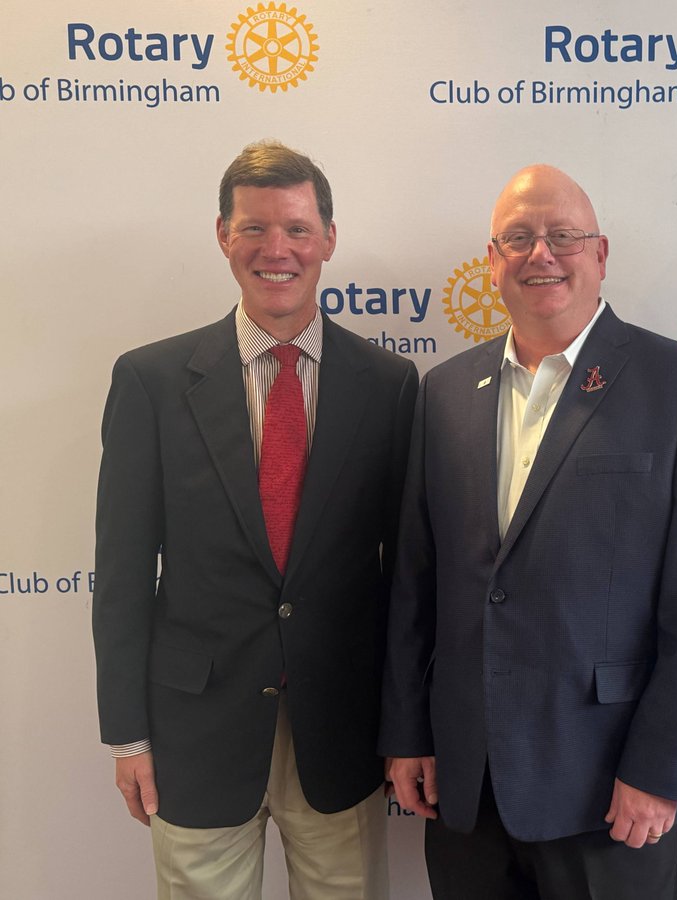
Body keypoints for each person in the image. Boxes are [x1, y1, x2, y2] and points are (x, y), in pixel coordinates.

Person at [378, 164, 677, 900]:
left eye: (562, 236)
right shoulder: (446, 391)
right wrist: (408, 733)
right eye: (516, 238)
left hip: (612, 788)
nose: (539, 254)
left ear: (601, 253)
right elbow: (415, 581)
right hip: (467, 784)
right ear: (491, 261)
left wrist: (663, 768)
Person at [92, 140, 417, 899]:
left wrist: (407, 731)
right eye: (256, 228)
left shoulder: (389, 385)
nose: (278, 249)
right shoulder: (151, 381)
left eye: (298, 229)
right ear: (222, 236)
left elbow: (406, 578)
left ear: (329, 239)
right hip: (193, 733)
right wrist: (128, 734)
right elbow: (123, 574)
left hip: (341, 731)